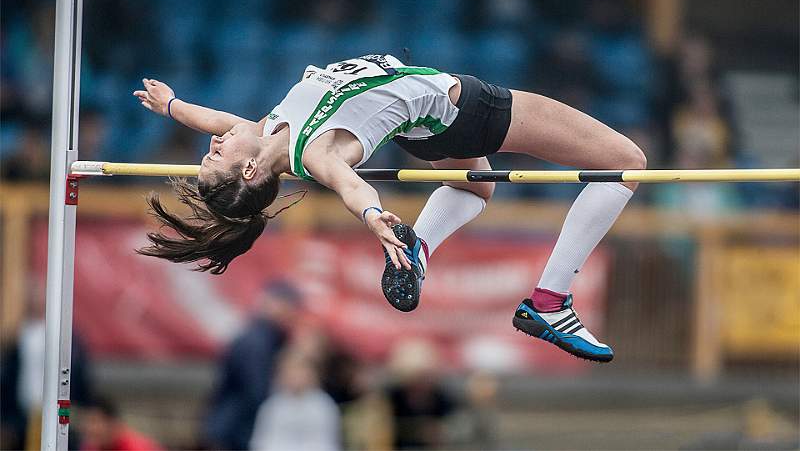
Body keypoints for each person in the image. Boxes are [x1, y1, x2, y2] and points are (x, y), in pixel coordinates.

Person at [133, 53, 646, 363]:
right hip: (468, 111)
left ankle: (418, 251)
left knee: (476, 189)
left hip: (425, 129)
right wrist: (373, 217)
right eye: (215, 156)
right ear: (249, 171)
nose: (214, 144)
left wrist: (171, 106)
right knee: (626, 162)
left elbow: (216, 121)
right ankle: (551, 301)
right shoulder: (312, 153)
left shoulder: (267, 133)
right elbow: (348, 184)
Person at [202, 280, 302, 450]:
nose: (292, 312)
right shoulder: (257, 341)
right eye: (288, 305)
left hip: (235, 426)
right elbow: (257, 390)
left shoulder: (267, 337)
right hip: (236, 430)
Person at [249, 351, 341, 451]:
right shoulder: (272, 407)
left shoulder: (324, 406)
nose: (296, 377)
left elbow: (328, 443)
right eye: (291, 372)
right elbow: (261, 442)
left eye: (301, 372)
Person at [79, 397, 162, 451]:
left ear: (112, 423)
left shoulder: (135, 447)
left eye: (94, 421)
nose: (88, 428)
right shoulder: (91, 446)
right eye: (86, 421)